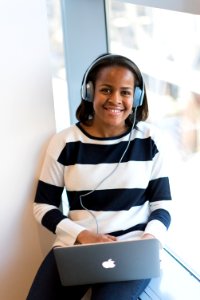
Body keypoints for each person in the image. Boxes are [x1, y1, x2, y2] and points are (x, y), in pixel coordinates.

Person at [27, 53, 172, 300]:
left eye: (125, 92)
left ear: (136, 97)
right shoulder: (65, 142)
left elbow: (162, 205)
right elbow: (43, 206)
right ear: (89, 91)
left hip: (131, 249)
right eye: (106, 89)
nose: (115, 99)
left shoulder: (150, 140)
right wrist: (83, 236)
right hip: (76, 247)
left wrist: (148, 240)